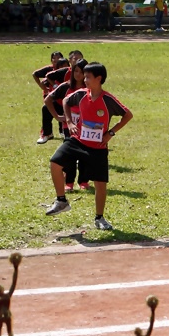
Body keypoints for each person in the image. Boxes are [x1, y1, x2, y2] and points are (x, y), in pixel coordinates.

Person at [45, 62, 133, 231]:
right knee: (55, 163)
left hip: (98, 147)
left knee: (100, 184)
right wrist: (69, 121)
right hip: (77, 141)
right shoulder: (80, 94)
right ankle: (61, 200)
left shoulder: (108, 100)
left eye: (88, 77)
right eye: (84, 76)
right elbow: (65, 101)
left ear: (99, 79)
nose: (84, 80)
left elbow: (127, 115)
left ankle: (99, 218)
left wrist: (111, 133)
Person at [45, 58, 90, 192]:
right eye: (76, 71)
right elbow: (48, 100)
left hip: (86, 127)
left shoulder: (89, 87)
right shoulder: (66, 86)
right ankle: (69, 182)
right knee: (70, 155)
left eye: (81, 72)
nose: (78, 74)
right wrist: (57, 117)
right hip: (69, 127)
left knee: (84, 154)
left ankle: (83, 181)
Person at [33, 51, 65, 144]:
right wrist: (45, 89)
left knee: (65, 109)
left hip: (65, 99)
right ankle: (47, 133)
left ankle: (63, 131)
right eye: (54, 58)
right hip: (53, 98)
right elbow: (39, 77)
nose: (56, 60)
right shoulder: (50, 72)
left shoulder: (69, 72)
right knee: (46, 109)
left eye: (58, 58)